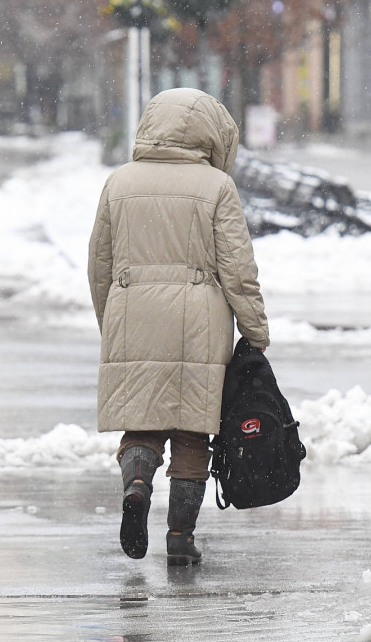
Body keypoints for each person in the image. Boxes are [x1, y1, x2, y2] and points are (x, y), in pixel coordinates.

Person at [87, 87, 270, 566]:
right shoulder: (215, 187)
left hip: (134, 314)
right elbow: (238, 269)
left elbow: (99, 264)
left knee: (142, 426)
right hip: (199, 321)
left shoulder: (119, 182)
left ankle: (137, 485)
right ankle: (180, 539)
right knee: (193, 433)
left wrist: (113, 320)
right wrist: (256, 331)